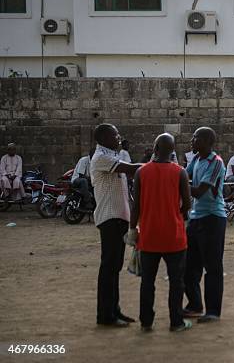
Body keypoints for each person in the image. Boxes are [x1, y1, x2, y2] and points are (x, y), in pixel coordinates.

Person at [130, 133, 192, 332]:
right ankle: (176, 322)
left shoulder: (141, 172)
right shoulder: (180, 172)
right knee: (176, 282)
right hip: (174, 236)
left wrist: (133, 229)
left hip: (149, 236)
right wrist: (177, 216)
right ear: (172, 151)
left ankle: (146, 321)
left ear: (155, 148)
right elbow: (187, 204)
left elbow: (136, 206)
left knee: (147, 282)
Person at [90, 124, 141, 327]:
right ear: (103, 137)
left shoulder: (111, 155)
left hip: (118, 218)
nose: (119, 137)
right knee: (109, 267)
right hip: (110, 219)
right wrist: (159, 165)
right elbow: (130, 169)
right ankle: (105, 315)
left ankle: (114, 310)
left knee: (114, 267)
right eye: (115, 134)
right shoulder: (101, 158)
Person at [183, 127, 227, 323]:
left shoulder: (216, 163)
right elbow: (183, 176)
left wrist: (176, 183)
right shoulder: (196, 160)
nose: (192, 140)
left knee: (212, 267)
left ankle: (213, 311)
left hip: (212, 218)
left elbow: (200, 191)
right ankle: (194, 305)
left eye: (196, 138)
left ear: (208, 141)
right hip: (196, 218)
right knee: (189, 266)